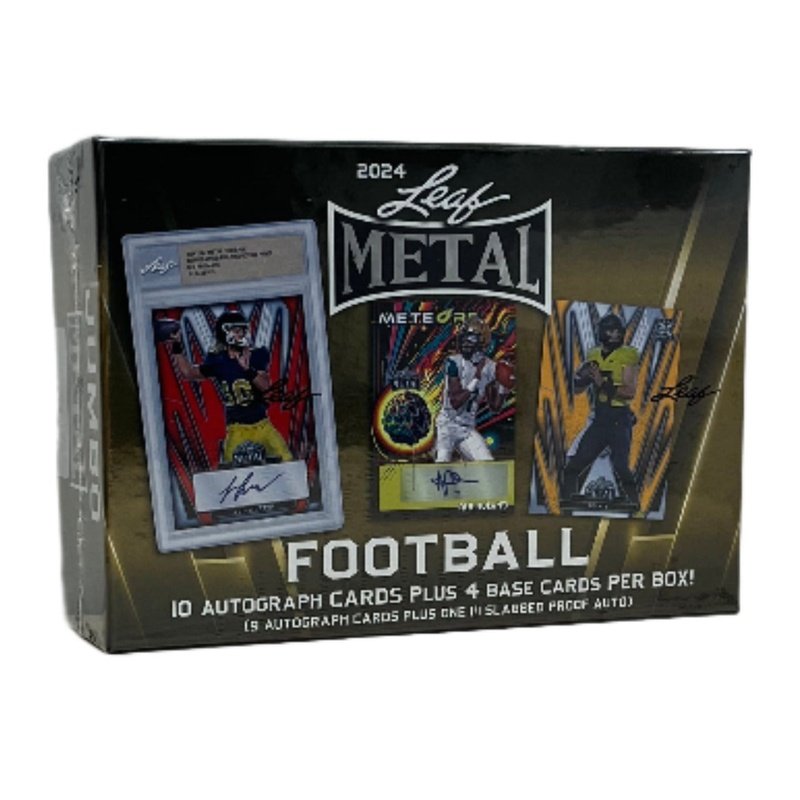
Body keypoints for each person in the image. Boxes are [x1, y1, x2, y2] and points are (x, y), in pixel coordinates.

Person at [163, 310, 292, 467]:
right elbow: (188, 373)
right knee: (229, 472)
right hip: (236, 429)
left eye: (243, 330)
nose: (241, 334)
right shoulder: (218, 360)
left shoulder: (256, 355)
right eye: (236, 330)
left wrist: (248, 370)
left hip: (262, 425)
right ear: (224, 333)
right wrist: (177, 346)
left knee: (288, 461)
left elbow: (266, 387)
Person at [561, 313, 640, 507]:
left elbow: (629, 392)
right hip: (601, 419)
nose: (615, 334)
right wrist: (581, 378)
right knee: (574, 465)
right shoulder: (593, 355)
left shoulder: (628, 354)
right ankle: (567, 500)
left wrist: (601, 382)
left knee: (620, 465)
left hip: (619, 419)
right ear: (602, 332)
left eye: (618, 331)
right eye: (611, 331)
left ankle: (634, 501)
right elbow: (577, 390)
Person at [434, 316, 506, 462]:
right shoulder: (453, 362)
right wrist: (476, 378)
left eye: (471, 338)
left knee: (486, 463)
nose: (465, 342)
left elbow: (495, 406)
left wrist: (504, 385)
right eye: (464, 337)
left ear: (482, 341)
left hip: (467, 428)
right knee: (441, 464)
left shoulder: (490, 367)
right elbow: (455, 402)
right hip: (446, 425)